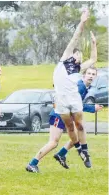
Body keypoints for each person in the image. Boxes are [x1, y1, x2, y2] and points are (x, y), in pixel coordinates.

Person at [26, 67, 103, 173]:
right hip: (59, 115)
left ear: (96, 77)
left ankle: (61, 154)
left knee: (77, 137)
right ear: (83, 76)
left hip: (66, 115)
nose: (91, 76)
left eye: (93, 74)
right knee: (53, 142)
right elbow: (74, 104)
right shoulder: (80, 86)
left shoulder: (85, 87)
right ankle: (32, 164)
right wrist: (92, 108)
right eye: (89, 73)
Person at [53, 9, 97, 167]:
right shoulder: (64, 60)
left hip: (73, 97)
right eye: (78, 55)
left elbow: (93, 59)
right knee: (70, 127)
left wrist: (93, 44)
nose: (80, 57)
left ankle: (84, 151)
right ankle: (79, 149)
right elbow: (75, 37)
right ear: (73, 55)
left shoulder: (78, 69)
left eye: (81, 56)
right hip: (61, 99)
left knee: (80, 125)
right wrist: (82, 22)